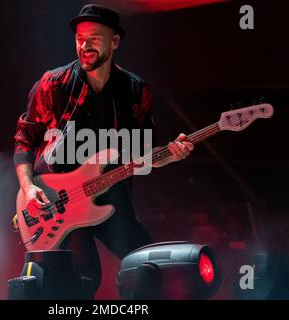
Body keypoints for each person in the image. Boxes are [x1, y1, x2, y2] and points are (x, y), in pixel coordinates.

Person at [13, 4, 194, 298]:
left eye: (94, 37)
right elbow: (24, 137)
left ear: (115, 41)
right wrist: (28, 185)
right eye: (80, 38)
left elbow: (145, 151)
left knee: (148, 268)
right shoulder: (54, 84)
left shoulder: (136, 90)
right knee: (85, 278)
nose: (85, 45)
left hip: (111, 194)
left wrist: (170, 154)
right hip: (61, 201)